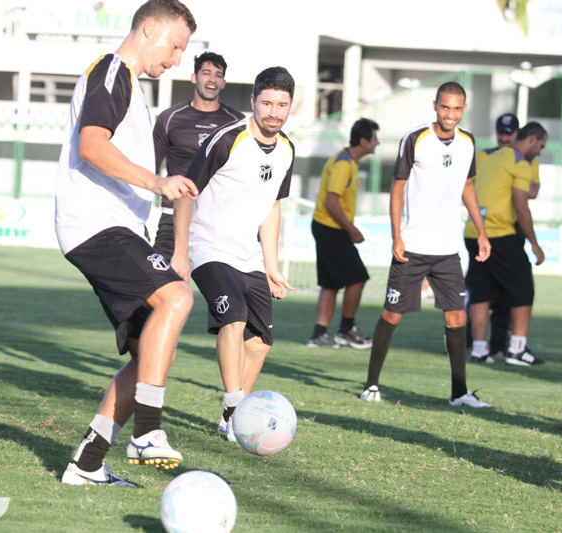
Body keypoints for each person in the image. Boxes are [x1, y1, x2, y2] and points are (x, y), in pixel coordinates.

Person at [54, 0, 197, 486]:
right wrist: (158, 183)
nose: (177, 59)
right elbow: (91, 146)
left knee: (155, 351)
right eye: (175, 46)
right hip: (97, 224)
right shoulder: (113, 72)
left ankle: (87, 463)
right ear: (149, 30)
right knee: (176, 297)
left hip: (113, 228)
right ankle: (147, 432)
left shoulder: (129, 86)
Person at [172, 67, 296, 441]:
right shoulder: (227, 139)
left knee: (259, 342)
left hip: (248, 256)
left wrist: (271, 266)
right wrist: (181, 253)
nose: (274, 111)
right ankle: (234, 405)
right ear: (254, 101)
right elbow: (186, 191)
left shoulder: (287, 149)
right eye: (267, 103)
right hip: (208, 248)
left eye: (282, 104)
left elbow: (272, 206)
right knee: (235, 318)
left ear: (290, 106)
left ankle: (233, 420)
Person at [361, 81, 491, 408]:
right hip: (413, 246)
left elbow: (468, 187)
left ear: (464, 109)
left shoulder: (468, 143)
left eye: (457, 108)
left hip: (447, 250)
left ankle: (459, 393)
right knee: (392, 315)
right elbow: (397, 187)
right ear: (436, 105)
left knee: (456, 319)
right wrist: (397, 235)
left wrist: (482, 231)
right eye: (445, 107)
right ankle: (371, 385)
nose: (450, 114)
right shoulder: (416, 139)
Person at [465, 122, 547, 366]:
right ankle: (517, 349)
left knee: (481, 290)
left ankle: (479, 349)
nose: (540, 152)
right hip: (499, 233)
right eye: (541, 146)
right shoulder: (520, 162)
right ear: (531, 139)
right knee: (523, 288)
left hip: (473, 231)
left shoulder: (489, 157)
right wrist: (534, 243)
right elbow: (521, 205)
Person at [152, 52, 243, 260]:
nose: (212, 79)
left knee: (227, 289)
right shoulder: (169, 118)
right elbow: (151, 169)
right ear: (194, 77)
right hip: (172, 218)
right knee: (157, 286)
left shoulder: (237, 123)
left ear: (223, 83)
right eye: (206, 72)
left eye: (218, 75)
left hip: (218, 221)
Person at [306, 118, 379, 349]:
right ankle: (346, 329)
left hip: (327, 227)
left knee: (330, 284)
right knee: (358, 277)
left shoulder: (348, 161)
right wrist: (353, 230)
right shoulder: (343, 164)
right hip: (331, 229)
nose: (377, 143)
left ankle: (319, 335)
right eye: (374, 138)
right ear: (364, 140)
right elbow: (331, 202)